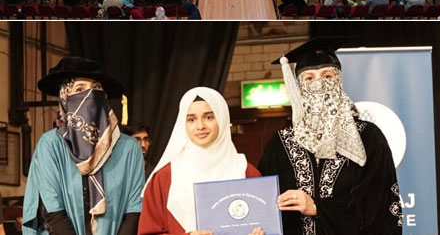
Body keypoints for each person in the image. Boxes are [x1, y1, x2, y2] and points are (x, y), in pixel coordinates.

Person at [258, 38, 402, 235]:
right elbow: (263, 203)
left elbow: (377, 205)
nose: (319, 84)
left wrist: (317, 207)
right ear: (299, 86)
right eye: (309, 78)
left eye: (327, 76)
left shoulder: (367, 138)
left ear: (339, 81)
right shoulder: (281, 144)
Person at [22, 57, 144, 235]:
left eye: (96, 88)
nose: (90, 95)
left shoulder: (129, 148)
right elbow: (53, 210)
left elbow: (133, 210)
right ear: (65, 97)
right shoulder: (50, 145)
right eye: (79, 89)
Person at [138, 87, 263, 235]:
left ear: (222, 119)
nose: (200, 126)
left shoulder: (247, 173)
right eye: (191, 119)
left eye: (209, 117)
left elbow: (266, 226)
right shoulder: (164, 178)